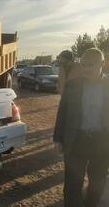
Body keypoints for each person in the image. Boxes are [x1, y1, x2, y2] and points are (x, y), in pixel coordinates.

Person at [54, 48, 109, 207]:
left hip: (102, 142)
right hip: (76, 140)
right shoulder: (72, 86)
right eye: (83, 65)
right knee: (72, 183)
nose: (86, 69)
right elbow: (62, 112)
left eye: (91, 65)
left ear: (102, 64)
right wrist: (58, 138)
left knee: (97, 182)